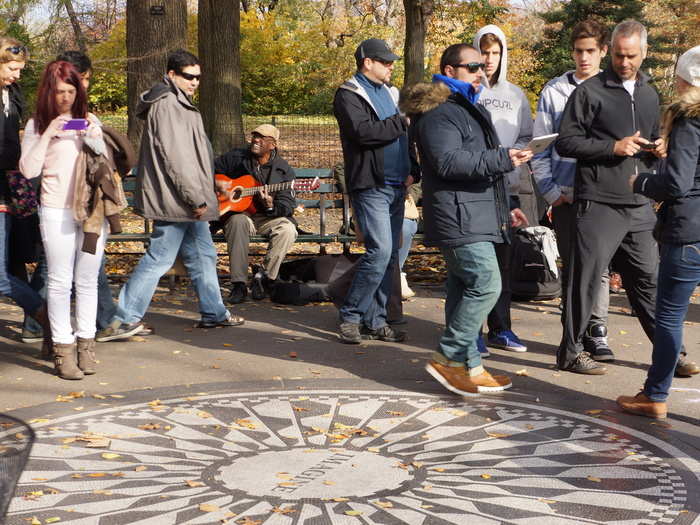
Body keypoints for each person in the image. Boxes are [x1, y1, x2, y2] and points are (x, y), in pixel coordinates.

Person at [401, 43, 532, 395]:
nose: (481, 71)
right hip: (457, 216)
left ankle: (470, 367)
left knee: (462, 288)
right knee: (487, 283)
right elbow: (448, 163)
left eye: (483, 67)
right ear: (448, 71)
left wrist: (506, 208)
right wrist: (505, 159)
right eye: (472, 66)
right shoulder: (440, 112)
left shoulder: (465, 108)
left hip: (474, 213)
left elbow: (476, 162)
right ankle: (447, 357)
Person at [99, 49, 244, 340]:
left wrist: (211, 184)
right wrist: (196, 197)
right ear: (172, 75)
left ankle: (214, 312)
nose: (195, 82)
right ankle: (121, 320)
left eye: (198, 77)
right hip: (177, 200)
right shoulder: (168, 104)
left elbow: (192, 156)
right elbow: (175, 158)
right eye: (189, 77)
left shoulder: (179, 102)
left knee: (203, 255)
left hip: (185, 197)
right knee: (160, 258)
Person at [555, 20, 664, 374]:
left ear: (643, 53)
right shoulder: (589, 92)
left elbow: (650, 139)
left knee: (649, 280)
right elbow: (566, 142)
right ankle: (570, 352)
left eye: (631, 56)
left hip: (639, 204)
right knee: (585, 279)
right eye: (618, 55)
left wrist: (660, 147)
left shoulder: (650, 94)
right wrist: (612, 147)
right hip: (598, 201)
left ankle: (668, 352)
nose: (624, 62)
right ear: (610, 51)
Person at [617, 46, 700, 418]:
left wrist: (643, 182)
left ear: (684, 79)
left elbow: (679, 185)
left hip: (687, 231)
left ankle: (655, 395)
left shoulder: (689, 119)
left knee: (668, 315)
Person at [20, 60, 113, 379]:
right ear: (49, 91)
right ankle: (63, 350)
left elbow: (103, 158)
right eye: (59, 91)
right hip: (55, 210)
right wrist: (49, 133)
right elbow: (28, 169)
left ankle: (86, 346)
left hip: (91, 212)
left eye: (71, 91)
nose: (65, 98)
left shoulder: (88, 119)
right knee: (59, 282)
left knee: (87, 279)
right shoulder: (36, 124)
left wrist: (93, 135)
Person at [532, 20, 614, 362]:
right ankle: (574, 336)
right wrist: (552, 193)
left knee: (603, 266)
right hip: (568, 193)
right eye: (578, 51)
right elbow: (539, 149)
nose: (584, 57)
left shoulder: (616, 89)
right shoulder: (555, 91)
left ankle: (598, 330)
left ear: (603, 52)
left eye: (590, 51)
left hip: (605, 194)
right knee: (576, 268)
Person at [333, 38, 416, 344]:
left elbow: (404, 139)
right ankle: (351, 316)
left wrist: (413, 169)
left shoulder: (391, 93)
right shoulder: (348, 94)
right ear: (367, 62)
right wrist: (402, 121)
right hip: (371, 186)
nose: (391, 66)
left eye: (392, 61)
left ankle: (376, 320)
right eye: (386, 62)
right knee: (379, 252)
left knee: (390, 256)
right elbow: (364, 133)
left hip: (396, 186)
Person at [472, 25, 533, 355]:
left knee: (503, 263)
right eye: (484, 51)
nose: (490, 59)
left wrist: (522, 154)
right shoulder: (471, 91)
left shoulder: (516, 95)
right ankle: (474, 331)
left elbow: (526, 135)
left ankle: (502, 328)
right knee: (479, 265)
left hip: (506, 188)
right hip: (476, 188)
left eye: (496, 52)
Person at [0, 38, 51, 348]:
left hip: (7, 190)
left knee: (6, 274)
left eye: (20, 69)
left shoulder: (11, 95)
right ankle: (43, 318)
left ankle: (43, 317)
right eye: (12, 68)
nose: (17, 75)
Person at [214, 124, 297, 304]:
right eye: (254, 136)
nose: (256, 140)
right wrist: (221, 186)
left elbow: (288, 205)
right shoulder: (237, 157)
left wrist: (270, 205)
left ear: (273, 145)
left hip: (267, 218)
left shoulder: (283, 170)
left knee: (288, 230)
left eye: (262, 138)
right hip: (240, 215)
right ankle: (239, 284)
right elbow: (209, 170)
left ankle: (264, 278)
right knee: (237, 222)